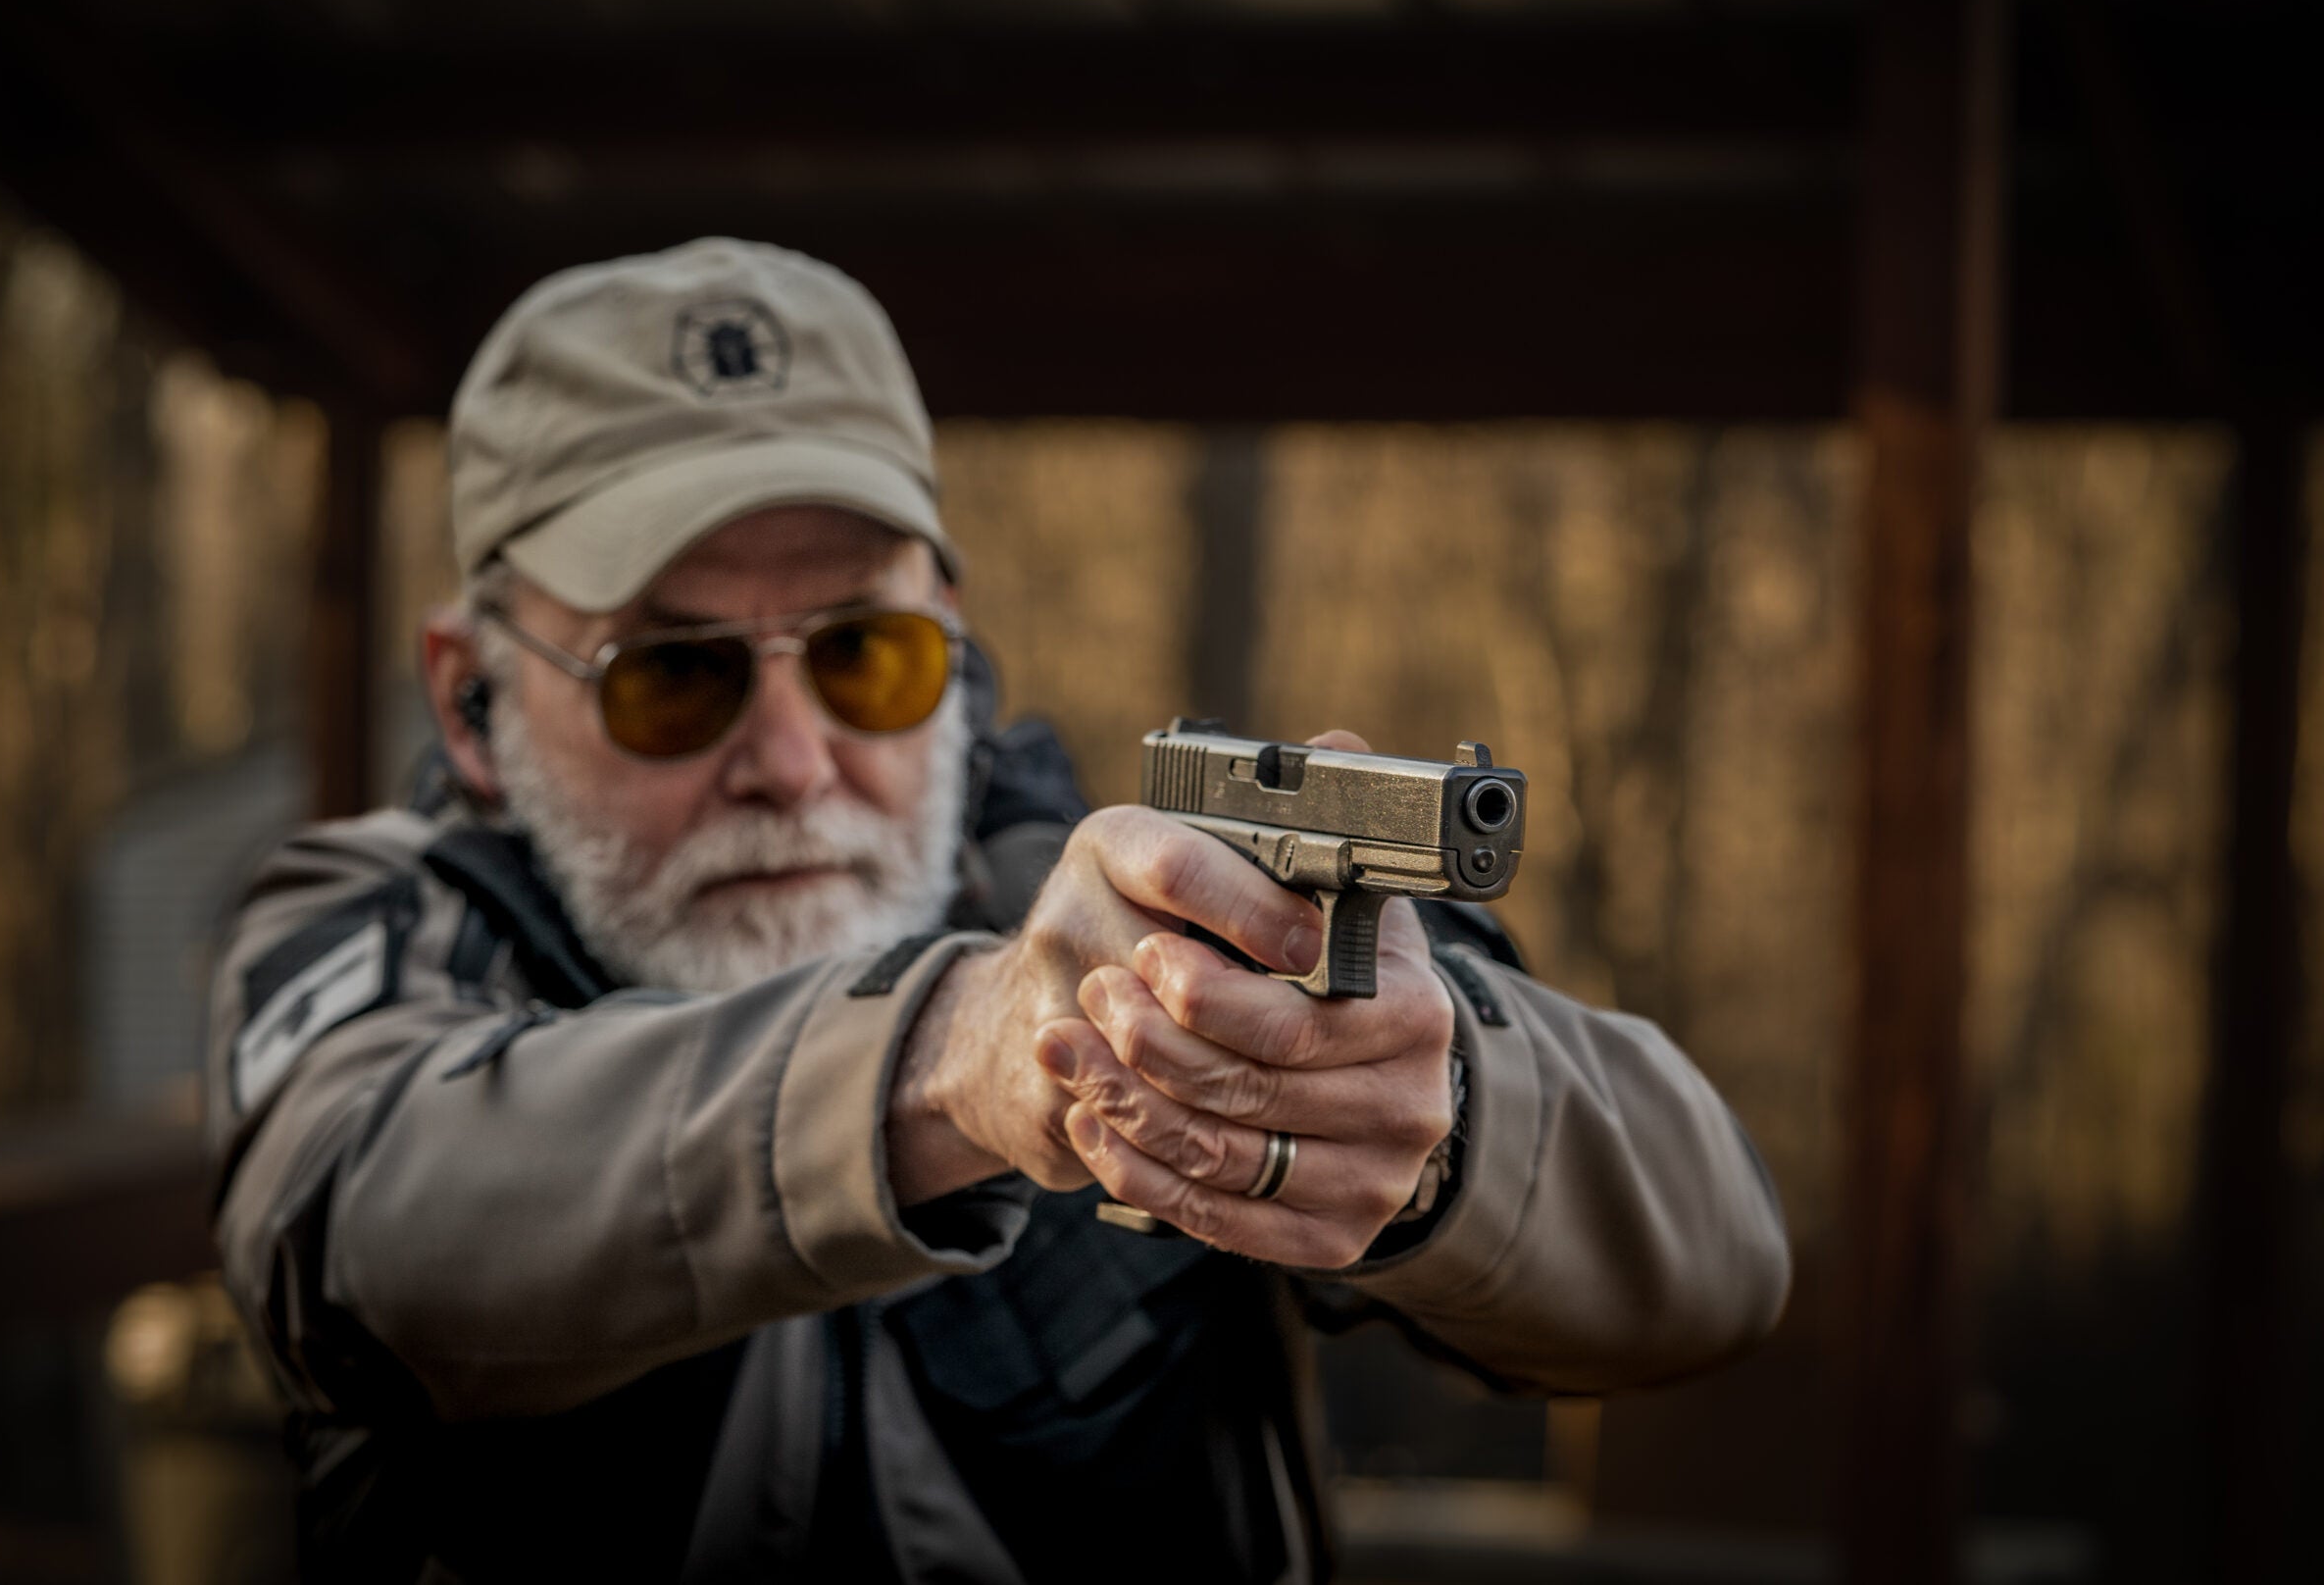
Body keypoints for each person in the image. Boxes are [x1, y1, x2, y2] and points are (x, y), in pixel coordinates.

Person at [206, 237, 1791, 1583]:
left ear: (948, 639)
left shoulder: (1146, 908)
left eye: (862, 657)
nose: (792, 758)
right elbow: (370, 1235)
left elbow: (1710, 1267)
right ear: (472, 702)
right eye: (672, 676)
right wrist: (945, 1062)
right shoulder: (373, 919)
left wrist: (1434, 1122)